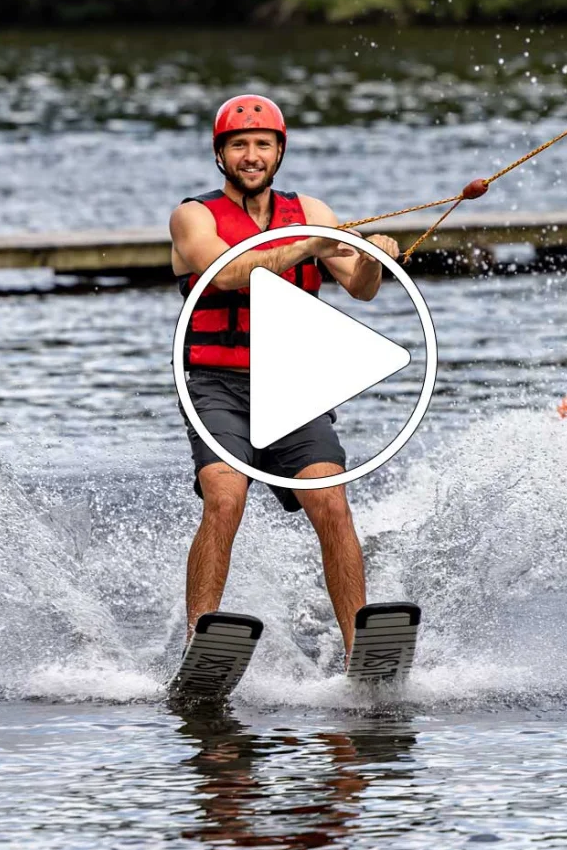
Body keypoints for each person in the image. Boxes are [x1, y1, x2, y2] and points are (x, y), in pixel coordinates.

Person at [169, 94, 400, 666]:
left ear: (279, 151)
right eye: (239, 145)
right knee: (225, 497)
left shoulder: (313, 210)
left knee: (331, 499)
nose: (252, 155)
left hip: (293, 385)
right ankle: (200, 643)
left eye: (262, 145)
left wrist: (375, 256)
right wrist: (309, 245)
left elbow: (360, 285)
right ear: (221, 154)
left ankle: (358, 655)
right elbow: (226, 274)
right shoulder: (192, 216)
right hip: (217, 385)